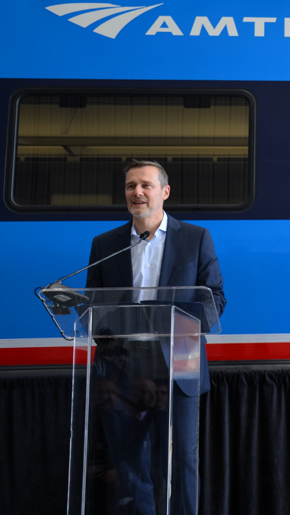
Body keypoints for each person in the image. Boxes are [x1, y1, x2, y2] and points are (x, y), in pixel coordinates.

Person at [86, 159, 226, 515]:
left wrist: (179, 324)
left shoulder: (195, 238)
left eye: (146, 185)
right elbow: (93, 305)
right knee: (130, 465)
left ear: (164, 192)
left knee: (181, 460)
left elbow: (215, 298)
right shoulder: (106, 244)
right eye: (132, 186)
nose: (138, 192)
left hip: (178, 364)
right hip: (122, 368)